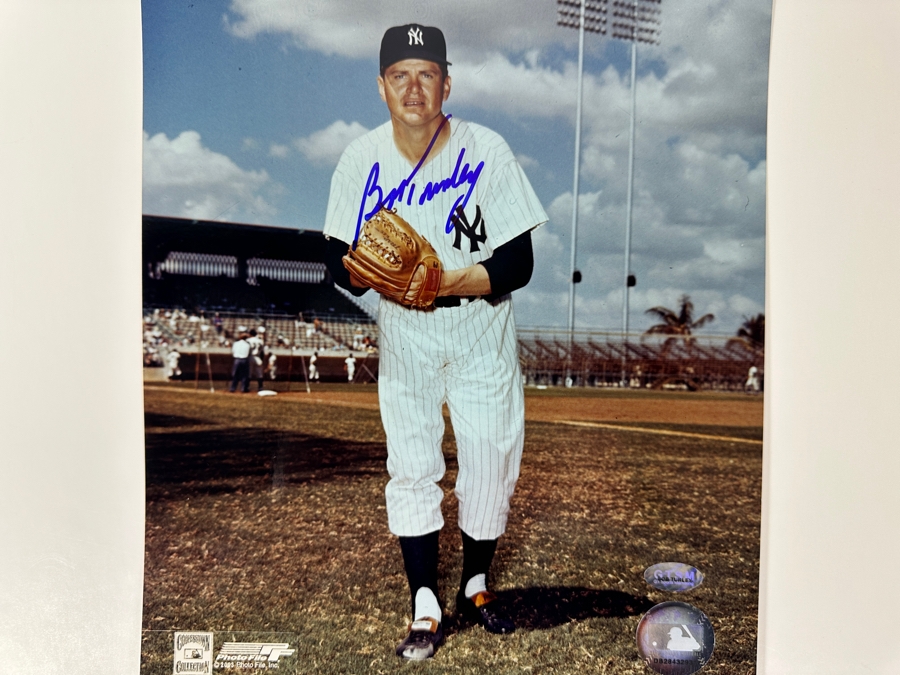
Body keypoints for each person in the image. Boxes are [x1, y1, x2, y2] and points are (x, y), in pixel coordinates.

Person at [323, 23, 547, 661]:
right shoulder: (359, 158)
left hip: (480, 327)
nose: (413, 88)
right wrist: (368, 271)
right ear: (381, 87)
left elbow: (519, 263)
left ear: (447, 83)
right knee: (413, 464)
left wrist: (446, 279)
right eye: (400, 75)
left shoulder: (486, 149)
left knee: (491, 461)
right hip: (406, 333)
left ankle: (476, 584)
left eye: (427, 74)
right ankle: (424, 599)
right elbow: (333, 258)